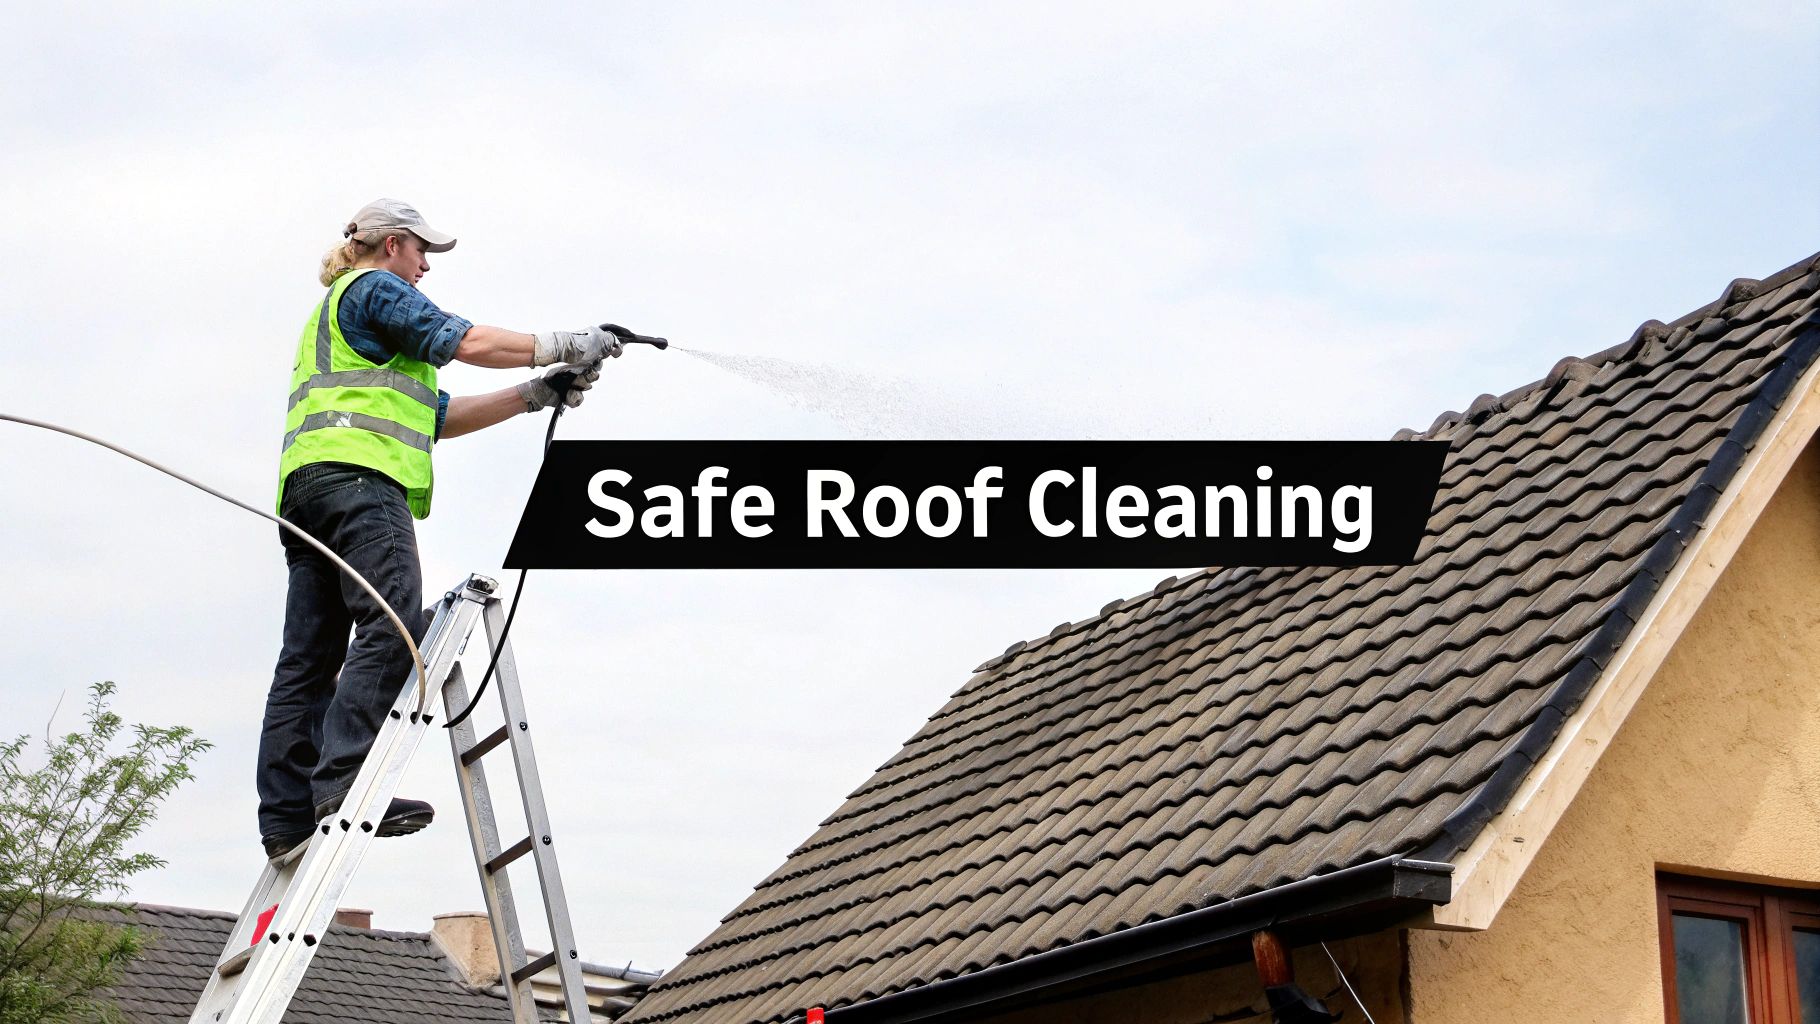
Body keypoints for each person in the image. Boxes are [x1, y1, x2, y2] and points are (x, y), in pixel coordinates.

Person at [259, 198, 629, 860]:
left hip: (308, 489)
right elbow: (463, 342)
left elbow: (439, 416)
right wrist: (560, 344)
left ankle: (285, 820)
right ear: (393, 244)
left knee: (307, 659)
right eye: (422, 250)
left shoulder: (345, 316)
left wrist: (536, 393)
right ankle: (341, 785)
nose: (427, 265)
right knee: (393, 623)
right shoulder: (377, 288)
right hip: (361, 483)